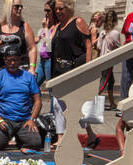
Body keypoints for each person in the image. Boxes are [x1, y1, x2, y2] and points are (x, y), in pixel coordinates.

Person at [48, 0, 91, 150]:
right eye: (56, 9)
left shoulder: (78, 22)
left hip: (74, 69)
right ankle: (61, 136)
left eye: (61, 9)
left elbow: (88, 45)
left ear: (68, 8)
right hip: (59, 70)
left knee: (76, 106)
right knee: (57, 104)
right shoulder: (58, 26)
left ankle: (90, 134)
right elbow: (50, 47)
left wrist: (88, 67)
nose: (58, 12)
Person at [0, 45, 40, 149]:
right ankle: (9, 136)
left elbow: (38, 101)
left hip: (24, 120)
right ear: (5, 60)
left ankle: (21, 139)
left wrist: (32, 119)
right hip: (5, 120)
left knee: (35, 143)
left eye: (15, 60)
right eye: (9, 60)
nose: (12, 63)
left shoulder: (28, 76)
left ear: (20, 60)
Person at [0, 1, 36, 76]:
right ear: (9, 8)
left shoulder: (24, 26)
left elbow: (32, 48)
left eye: (21, 7)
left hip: (20, 71)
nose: (20, 9)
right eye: (17, 6)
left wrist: (32, 67)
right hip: (0, 71)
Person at [35, 1, 55, 85]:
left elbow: (48, 46)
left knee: (51, 88)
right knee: (33, 84)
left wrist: (46, 28)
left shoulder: (55, 26)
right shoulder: (47, 25)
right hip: (42, 60)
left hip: (49, 61)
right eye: (45, 10)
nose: (46, 13)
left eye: (48, 11)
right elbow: (38, 39)